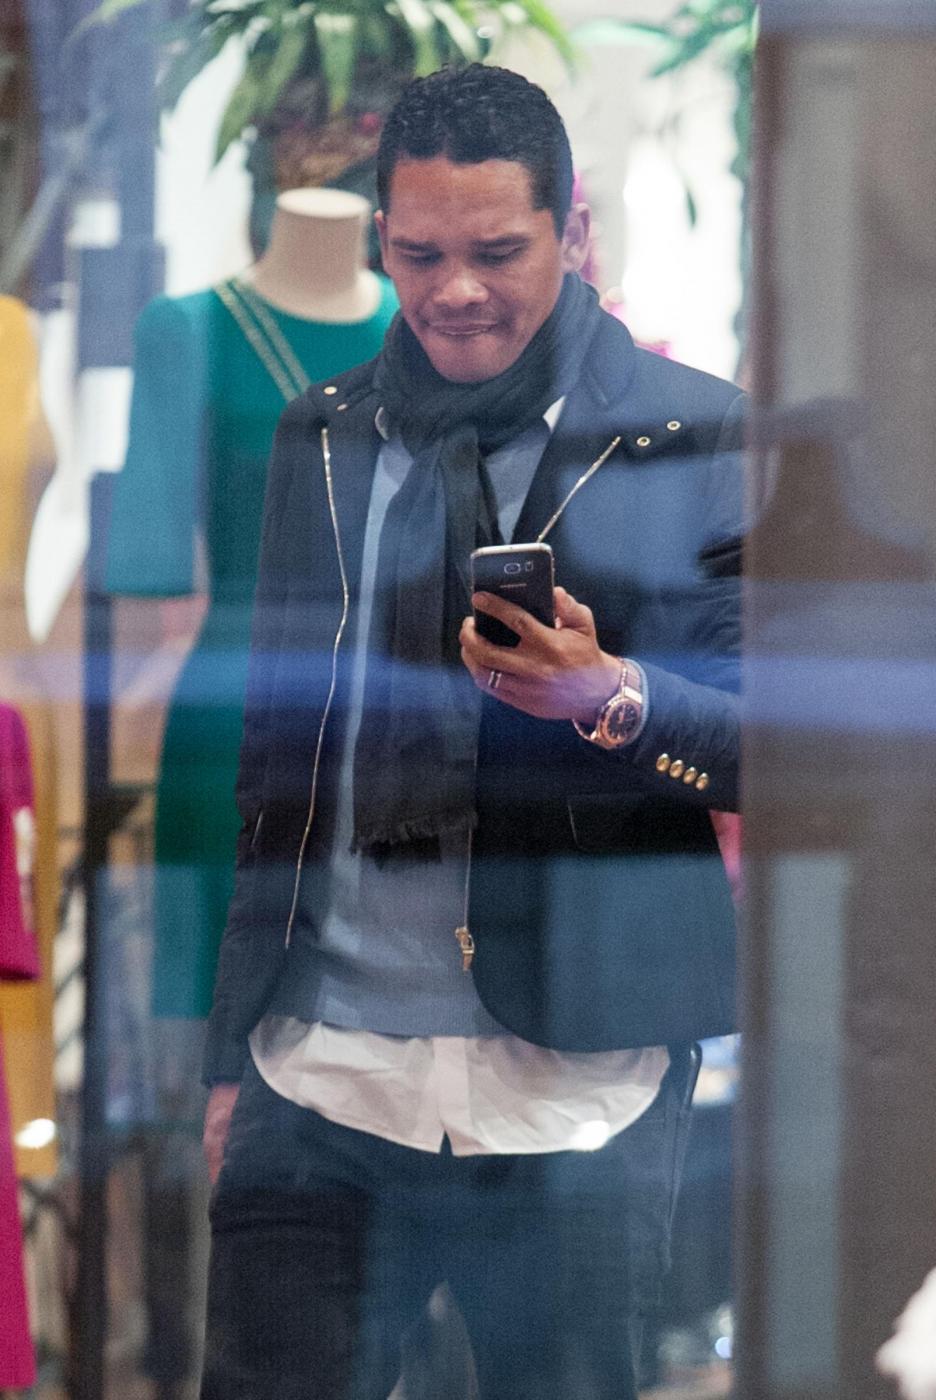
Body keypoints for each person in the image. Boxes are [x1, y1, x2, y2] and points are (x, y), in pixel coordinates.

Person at [199, 63, 744, 1400]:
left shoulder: (698, 434)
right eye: (419, 254)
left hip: (578, 1089)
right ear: (382, 235)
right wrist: (228, 1060)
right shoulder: (324, 435)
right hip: (316, 1078)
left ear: (573, 232)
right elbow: (277, 758)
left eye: (497, 253)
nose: (453, 292)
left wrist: (610, 697)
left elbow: (785, 745)